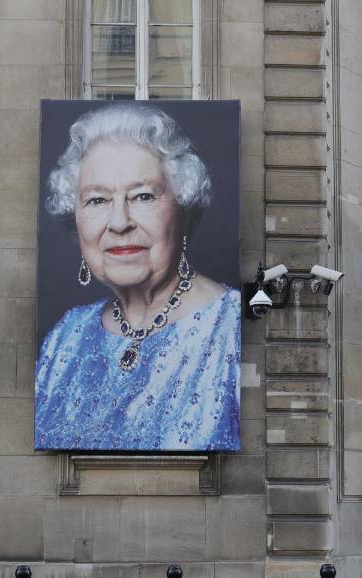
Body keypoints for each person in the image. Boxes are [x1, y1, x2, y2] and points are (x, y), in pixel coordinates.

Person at [36, 103, 240, 451]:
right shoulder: (65, 336)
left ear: (183, 207)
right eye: (97, 200)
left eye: (143, 196)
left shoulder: (231, 325)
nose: (119, 222)